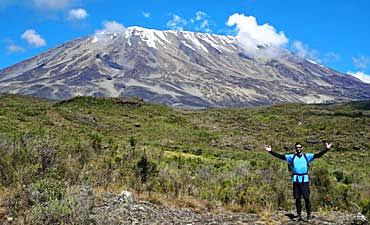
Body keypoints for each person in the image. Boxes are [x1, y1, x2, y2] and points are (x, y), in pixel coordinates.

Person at [265, 142, 332, 222]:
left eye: (300, 147)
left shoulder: (307, 156)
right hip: (296, 180)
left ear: (302, 148)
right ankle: (299, 215)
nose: (298, 148)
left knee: (307, 198)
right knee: (297, 198)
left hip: (304, 180)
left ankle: (309, 215)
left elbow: (318, 155)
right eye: (297, 147)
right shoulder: (292, 157)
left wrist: (326, 149)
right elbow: (281, 157)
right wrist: (270, 151)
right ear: (295, 148)